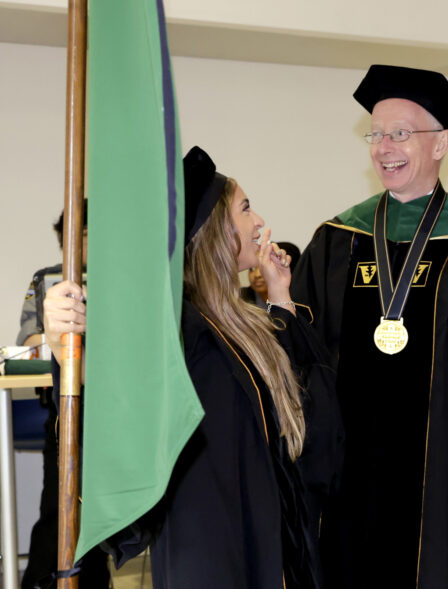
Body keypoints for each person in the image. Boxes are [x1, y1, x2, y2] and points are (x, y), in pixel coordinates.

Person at [43, 146, 341, 588]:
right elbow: (118, 400)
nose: (259, 222)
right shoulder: (179, 325)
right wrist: (61, 340)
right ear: (214, 229)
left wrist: (280, 297)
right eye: (245, 209)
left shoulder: (240, 320)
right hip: (212, 547)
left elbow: (310, 412)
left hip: (274, 540)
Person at [291, 65, 448, 589]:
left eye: (400, 133)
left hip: (443, 469)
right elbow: (300, 349)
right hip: (347, 470)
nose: (383, 147)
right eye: (375, 134)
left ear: (442, 143)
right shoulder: (335, 239)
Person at [17, 203, 111, 589]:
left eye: (90, 234)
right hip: (67, 406)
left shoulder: (116, 278)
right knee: (58, 504)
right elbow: (29, 340)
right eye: (77, 235)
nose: (85, 242)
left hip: (112, 406)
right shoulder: (47, 280)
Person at [242, 242, 302, 307]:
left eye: (263, 268)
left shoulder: (300, 302)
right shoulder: (240, 299)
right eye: (252, 268)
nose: (257, 275)